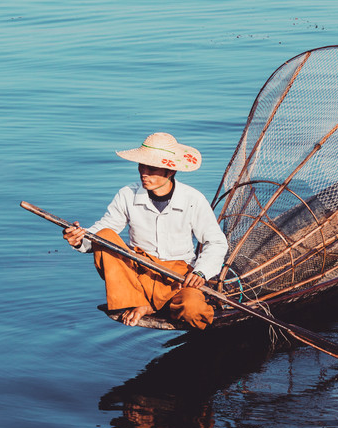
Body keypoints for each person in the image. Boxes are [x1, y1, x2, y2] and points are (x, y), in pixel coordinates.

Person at [62, 132, 229, 329]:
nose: (144, 173)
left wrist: (201, 272)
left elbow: (216, 242)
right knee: (104, 236)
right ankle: (139, 301)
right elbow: (104, 229)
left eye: (152, 168)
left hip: (178, 278)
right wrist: (80, 239)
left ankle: (151, 306)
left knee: (194, 310)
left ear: (170, 171)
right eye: (142, 166)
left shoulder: (192, 199)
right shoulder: (127, 194)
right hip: (139, 274)